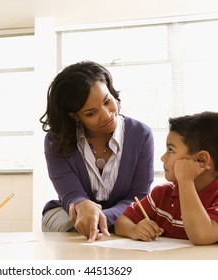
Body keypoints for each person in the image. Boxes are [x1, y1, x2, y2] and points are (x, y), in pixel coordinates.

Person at [39, 60, 154, 242]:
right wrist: (83, 206)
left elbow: (138, 196)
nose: (106, 115)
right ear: (74, 116)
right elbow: (71, 195)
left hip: (124, 214)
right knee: (76, 230)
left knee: (129, 226)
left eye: (107, 101)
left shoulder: (141, 134)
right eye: (91, 113)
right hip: (69, 215)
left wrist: (102, 218)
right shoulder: (56, 141)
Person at [114, 111, 218, 245]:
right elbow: (121, 222)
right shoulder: (162, 194)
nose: (163, 158)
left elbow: (201, 236)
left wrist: (186, 180)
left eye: (171, 150)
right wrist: (134, 230)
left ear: (201, 160)